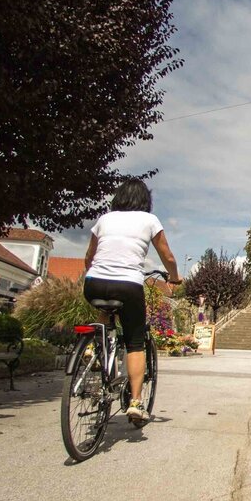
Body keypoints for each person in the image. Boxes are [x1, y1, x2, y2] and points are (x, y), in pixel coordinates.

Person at [83, 179, 181, 425]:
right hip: (128, 285)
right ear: (145, 200)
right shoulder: (149, 220)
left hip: (94, 282)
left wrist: (93, 272)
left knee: (104, 308)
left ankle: (94, 346)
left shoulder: (105, 219)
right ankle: (136, 402)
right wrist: (175, 277)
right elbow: (167, 256)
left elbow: (89, 255)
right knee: (135, 343)